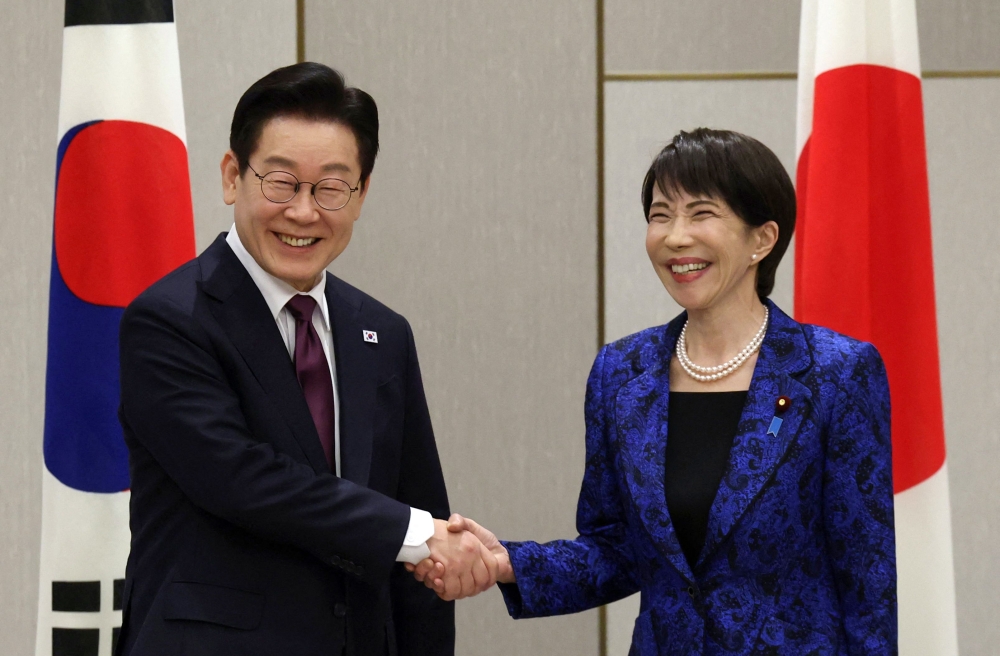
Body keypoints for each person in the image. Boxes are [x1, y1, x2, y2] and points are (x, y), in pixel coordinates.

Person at [411, 129, 897, 654]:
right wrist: (508, 563)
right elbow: (615, 550)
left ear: (763, 238)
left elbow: (867, 579)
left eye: (701, 213)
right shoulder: (622, 373)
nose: (675, 237)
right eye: (660, 215)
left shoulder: (835, 373)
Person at [115, 62, 498, 656]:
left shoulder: (383, 332)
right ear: (230, 176)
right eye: (281, 183)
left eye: (330, 188)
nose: (303, 212)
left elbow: (418, 509)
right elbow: (242, 480)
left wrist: (427, 543)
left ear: (362, 193)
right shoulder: (168, 321)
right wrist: (418, 535)